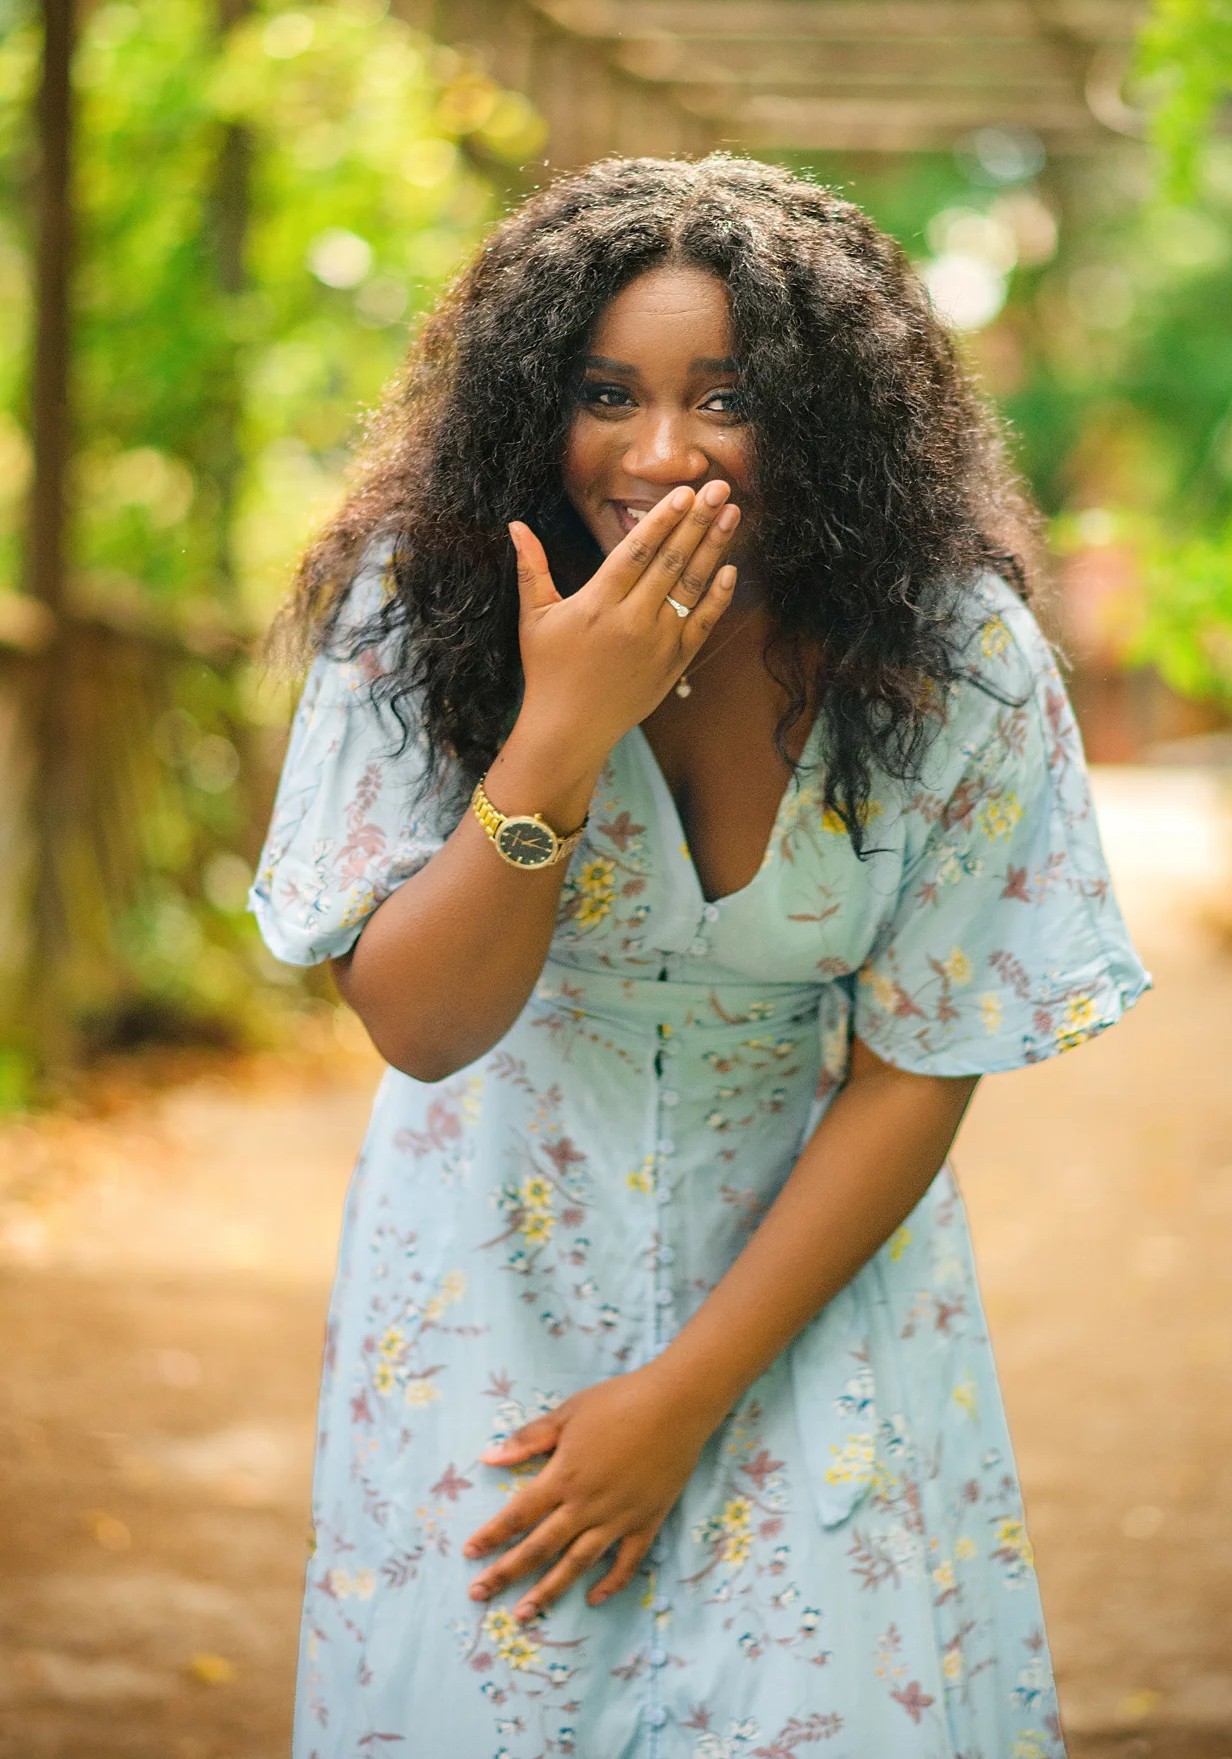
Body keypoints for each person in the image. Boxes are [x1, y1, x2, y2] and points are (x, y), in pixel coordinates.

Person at [251, 154, 1149, 1759]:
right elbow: (423, 1025)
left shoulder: (949, 658)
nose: (657, 453)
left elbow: (917, 1064)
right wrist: (557, 736)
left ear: (817, 419)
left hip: (809, 1273)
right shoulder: (417, 610)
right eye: (605, 394)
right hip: (487, 1272)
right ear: (533, 407)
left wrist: (679, 1403)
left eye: (721, 399)